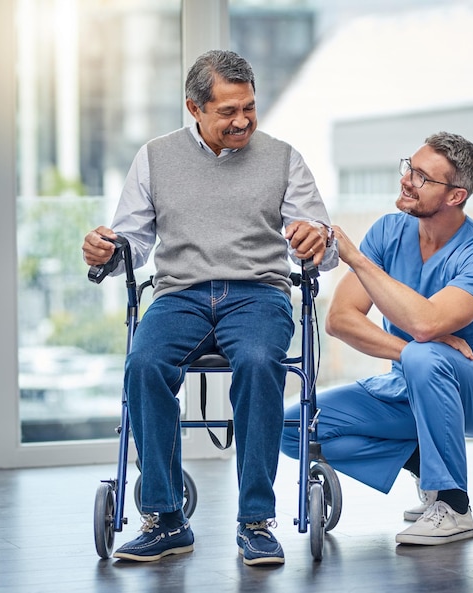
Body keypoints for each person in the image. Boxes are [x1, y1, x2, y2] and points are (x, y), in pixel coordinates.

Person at [82, 49, 337, 565]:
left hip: (258, 292)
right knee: (145, 364)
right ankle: (166, 518)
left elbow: (325, 249)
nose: (242, 120)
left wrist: (317, 238)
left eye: (249, 108)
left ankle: (256, 521)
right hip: (181, 293)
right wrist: (108, 251)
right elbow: (129, 239)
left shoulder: (284, 158)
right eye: (227, 111)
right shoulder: (154, 157)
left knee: (262, 362)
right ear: (194, 108)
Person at [282, 131, 473, 546]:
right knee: (290, 426)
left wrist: (354, 256)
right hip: (409, 382)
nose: (407, 180)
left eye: (422, 177)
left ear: (455, 196)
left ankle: (453, 504)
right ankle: (427, 468)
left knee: (426, 355)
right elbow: (340, 319)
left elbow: (427, 325)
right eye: (409, 167)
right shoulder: (390, 232)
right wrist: (408, 352)